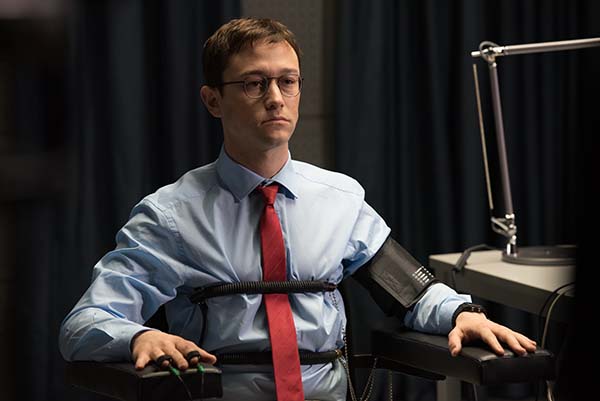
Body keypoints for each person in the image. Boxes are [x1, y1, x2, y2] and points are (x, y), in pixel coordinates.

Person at [59, 17, 536, 401]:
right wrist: (138, 337)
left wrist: (461, 314)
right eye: (253, 84)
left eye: (287, 82)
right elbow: (84, 325)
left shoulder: (341, 200)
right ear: (213, 100)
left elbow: (411, 292)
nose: (275, 98)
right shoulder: (170, 216)